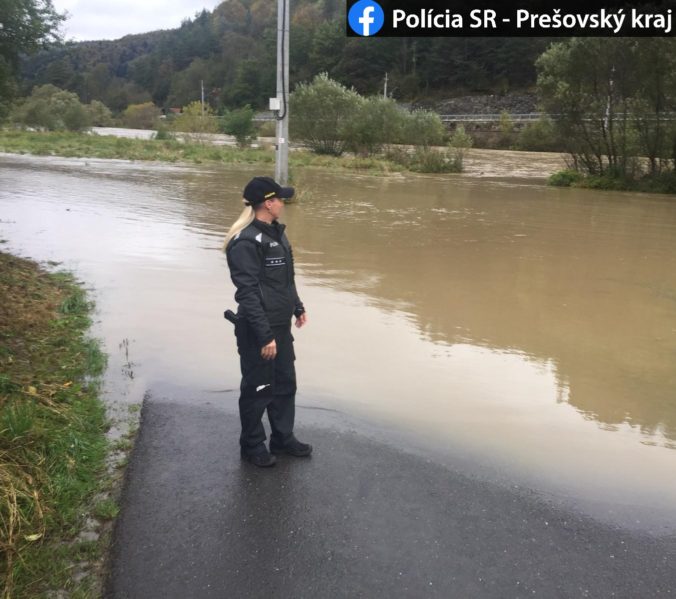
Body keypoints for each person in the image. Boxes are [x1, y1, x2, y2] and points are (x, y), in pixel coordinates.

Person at [223, 176, 312, 467]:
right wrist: (264, 336)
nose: (284, 204)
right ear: (269, 203)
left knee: (285, 383)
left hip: (280, 327)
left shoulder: (277, 235)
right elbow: (247, 293)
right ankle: (252, 445)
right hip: (258, 329)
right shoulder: (245, 242)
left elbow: (286, 281)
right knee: (258, 388)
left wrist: (297, 307)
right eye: (280, 199)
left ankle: (282, 438)